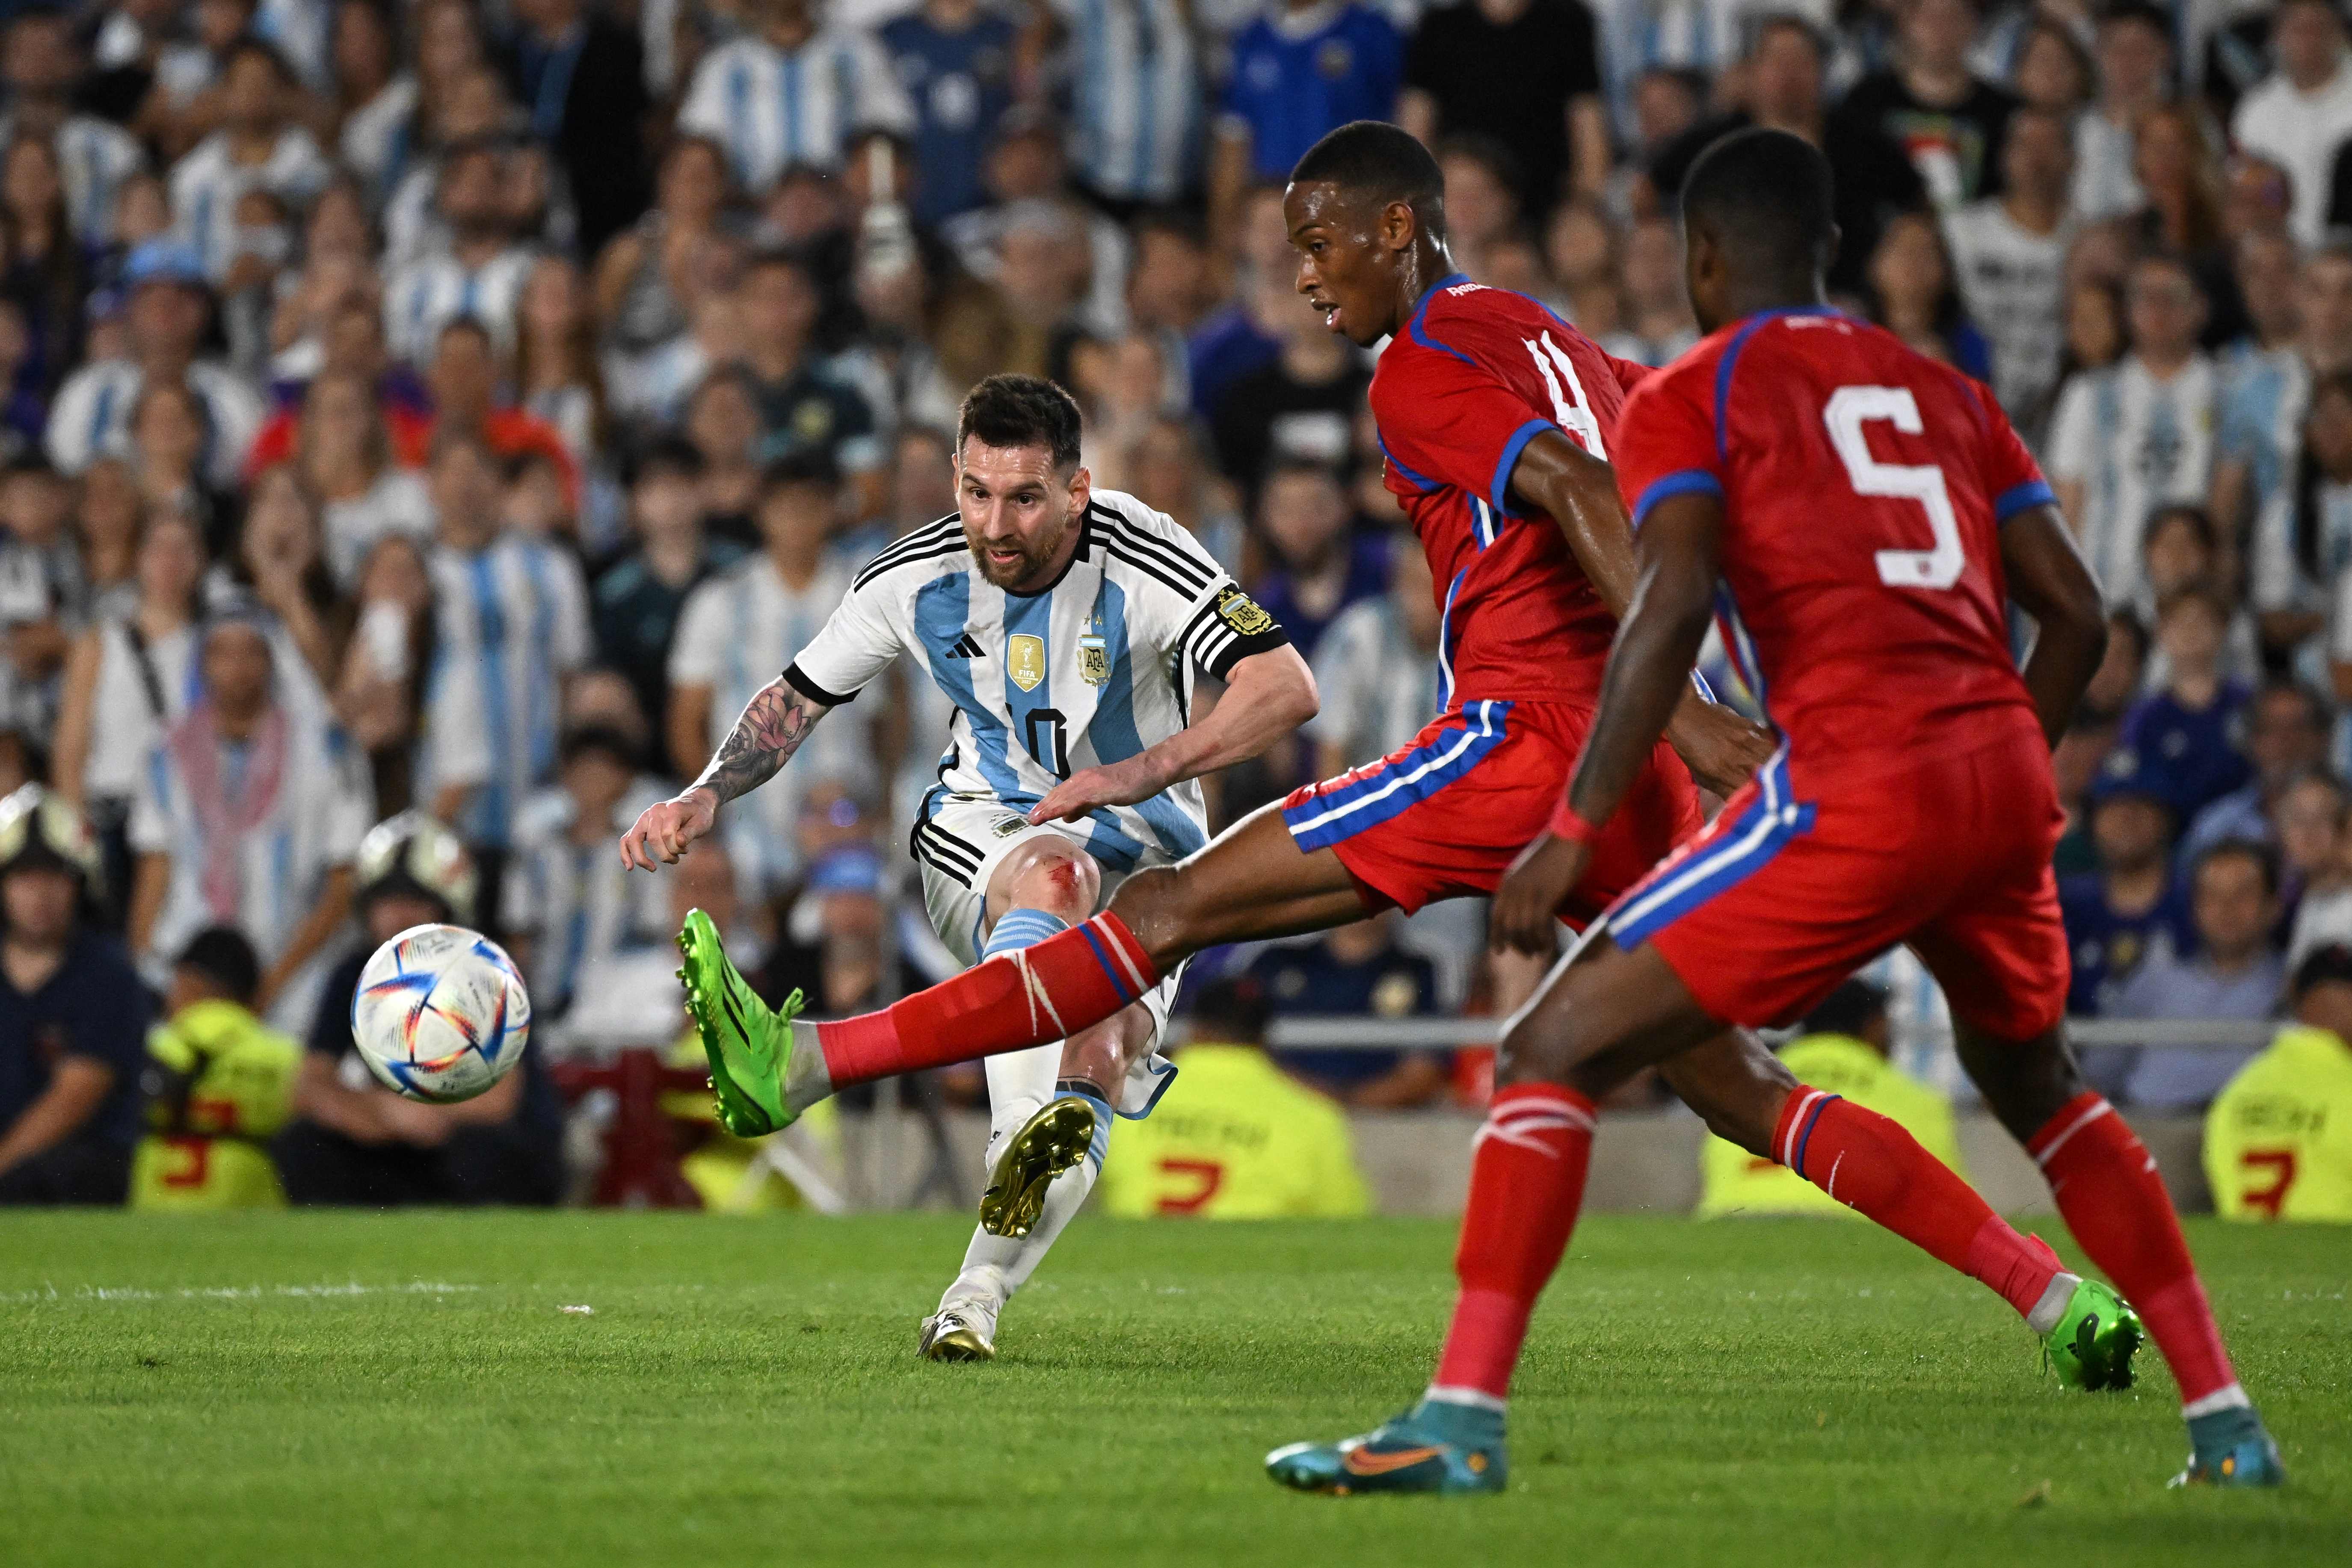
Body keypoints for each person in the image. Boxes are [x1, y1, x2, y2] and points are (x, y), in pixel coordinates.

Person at [651, 123, 2154, 1426]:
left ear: (1395, 230)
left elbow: (1569, 492)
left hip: (1525, 737)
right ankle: (2043, 1292)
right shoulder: (1552, 337)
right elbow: (1661, 471)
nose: (1303, 276)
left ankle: (811, 1063)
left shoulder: (1425, 364)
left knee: (1164, 903)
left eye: (1317, 245)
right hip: (1628, 766)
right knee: (1726, 1078)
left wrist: (1690, 710)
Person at [1281, 126, 2273, 1492]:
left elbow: (1667, 599)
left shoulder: (1695, 389)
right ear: (1835, 254)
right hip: (1994, 771)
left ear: (1698, 260)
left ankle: (1456, 1424)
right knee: (2040, 1091)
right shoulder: (1945, 390)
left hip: (1851, 779)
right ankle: (2223, 1424)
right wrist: (2006, 766)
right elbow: (2081, 616)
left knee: (1549, 1043)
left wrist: (1573, 821)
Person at [622, 373, 1319, 1362]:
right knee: (1053, 882)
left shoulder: (1147, 554)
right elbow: (796, 699)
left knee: (1103, 1059)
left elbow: (1283, 686)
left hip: (1150, 848)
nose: (996, 521)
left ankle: (974, 1291)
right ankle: (971, 1124)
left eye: (1025, 496)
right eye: (976, 491)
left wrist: (1136, 770)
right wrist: (702, 793)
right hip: (983, 836)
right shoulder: (909, 579)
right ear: (954, 477)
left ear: (1078, 490)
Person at [272, 810, 563, 1205]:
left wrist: (418, 1113)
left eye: (416, 900)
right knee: (303, 1143)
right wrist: (376, 1113)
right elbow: (308, 1086)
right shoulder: (352, 975)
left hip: (471, 1143)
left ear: (447, 909)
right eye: (387, 901)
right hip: (393, 1134)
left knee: (483, 1153)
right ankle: (345, 1255)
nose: (400, 915)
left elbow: (500, 1101)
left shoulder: (486, 972)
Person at [126, 606, 371, 1023]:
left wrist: (271, 985)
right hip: (187, 966)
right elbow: (155, 871)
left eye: (251, 652)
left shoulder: (329, 751)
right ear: (202, 664)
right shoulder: (165, 755)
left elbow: (342, 883)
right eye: (222, 653)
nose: (237, 667)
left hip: (294, 967)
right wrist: (140, 974)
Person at [1095, 976, 1372, 1219]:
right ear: (1264, 1036)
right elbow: (1346, 1223)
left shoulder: (1125, 1099)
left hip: (1141, 1261)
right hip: (1257, 1269)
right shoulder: (1315, 1117)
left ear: (1194, 1029)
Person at [1697, 979, 1966, 1219]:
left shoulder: (1746, 1085)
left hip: (1738, 1217)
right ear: (1872, 1025)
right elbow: (1954, 1208)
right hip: (1853, 1223)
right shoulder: (1915, 1097)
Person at [0, 785, 150, 1202]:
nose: (40, 895)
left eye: (55, 875)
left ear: (80, 884)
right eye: (23, 877)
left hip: (78, 1170)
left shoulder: (108, 974)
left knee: (51, 1175)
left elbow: (75, 1099)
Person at [2047, 253, 2219, 608]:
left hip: (2192, 608)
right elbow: (2066, 505)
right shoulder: (2089, 394)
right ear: (2128, 311)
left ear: (2200, 308)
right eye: (2146, 296)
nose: (2158, 309)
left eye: (2171, 296)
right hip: (2105, 598)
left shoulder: (2227, 393)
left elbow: (2227, 508)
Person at [129, 924, 301, 1209]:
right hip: (253, 1222)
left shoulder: (157, 1046)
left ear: (191, 982)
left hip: (155, 1216)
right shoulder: (284, 1055)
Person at [2107, 840, 2285, 1109]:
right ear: (2195, 908)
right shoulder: (2154, 982)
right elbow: (2100, 1072)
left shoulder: (2290, 988)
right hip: (2147, 1126)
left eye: (2243, 894)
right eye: (2212, 895)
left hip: (2245, 1136)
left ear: (2274, 907)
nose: (2226, 908)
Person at [675, 0, 914, 192]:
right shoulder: (725, 64)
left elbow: (889, 131)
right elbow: (699, 148)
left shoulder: (857, 51)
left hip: (839, 217)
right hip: (746, 221)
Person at [2203, 942, 2352, 1222]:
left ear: (2296, 995)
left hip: (2249, 1255)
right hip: (2337, 1254)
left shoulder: (2241, 1087)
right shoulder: (2347, 1082)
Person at [1250, 912, 1448, 1108]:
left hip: (1380, 1125)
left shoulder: (1418, 971)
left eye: (1375, 885)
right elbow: (1240, 1056)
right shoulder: (1275, 963)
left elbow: (1421, 1074)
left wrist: (1340, 1105)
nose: (1358, 898)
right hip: (1282, 1118)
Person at [2232, 0, 2352, 248]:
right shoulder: (2256, 110)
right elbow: (2252, 188)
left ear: (2339, 34)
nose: (2309, 39)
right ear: (2277, 36)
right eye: (2298, 29)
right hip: (2281, 251)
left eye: (2318, 28)